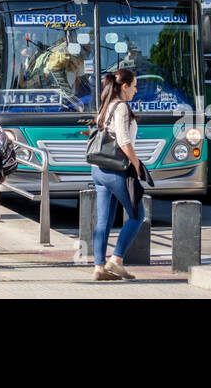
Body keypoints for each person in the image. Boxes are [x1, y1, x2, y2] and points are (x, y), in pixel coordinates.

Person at [90, 68, 147, 281]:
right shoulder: (122, 106)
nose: (135, 90)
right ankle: (117, 259)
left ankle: (99, 268)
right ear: (124, 86)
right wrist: (137, 164)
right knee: (137, 215)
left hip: (99, 169)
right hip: (115, 171)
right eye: (133, 86)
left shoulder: (107, 105)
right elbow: (123, 140)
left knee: (103, 221)